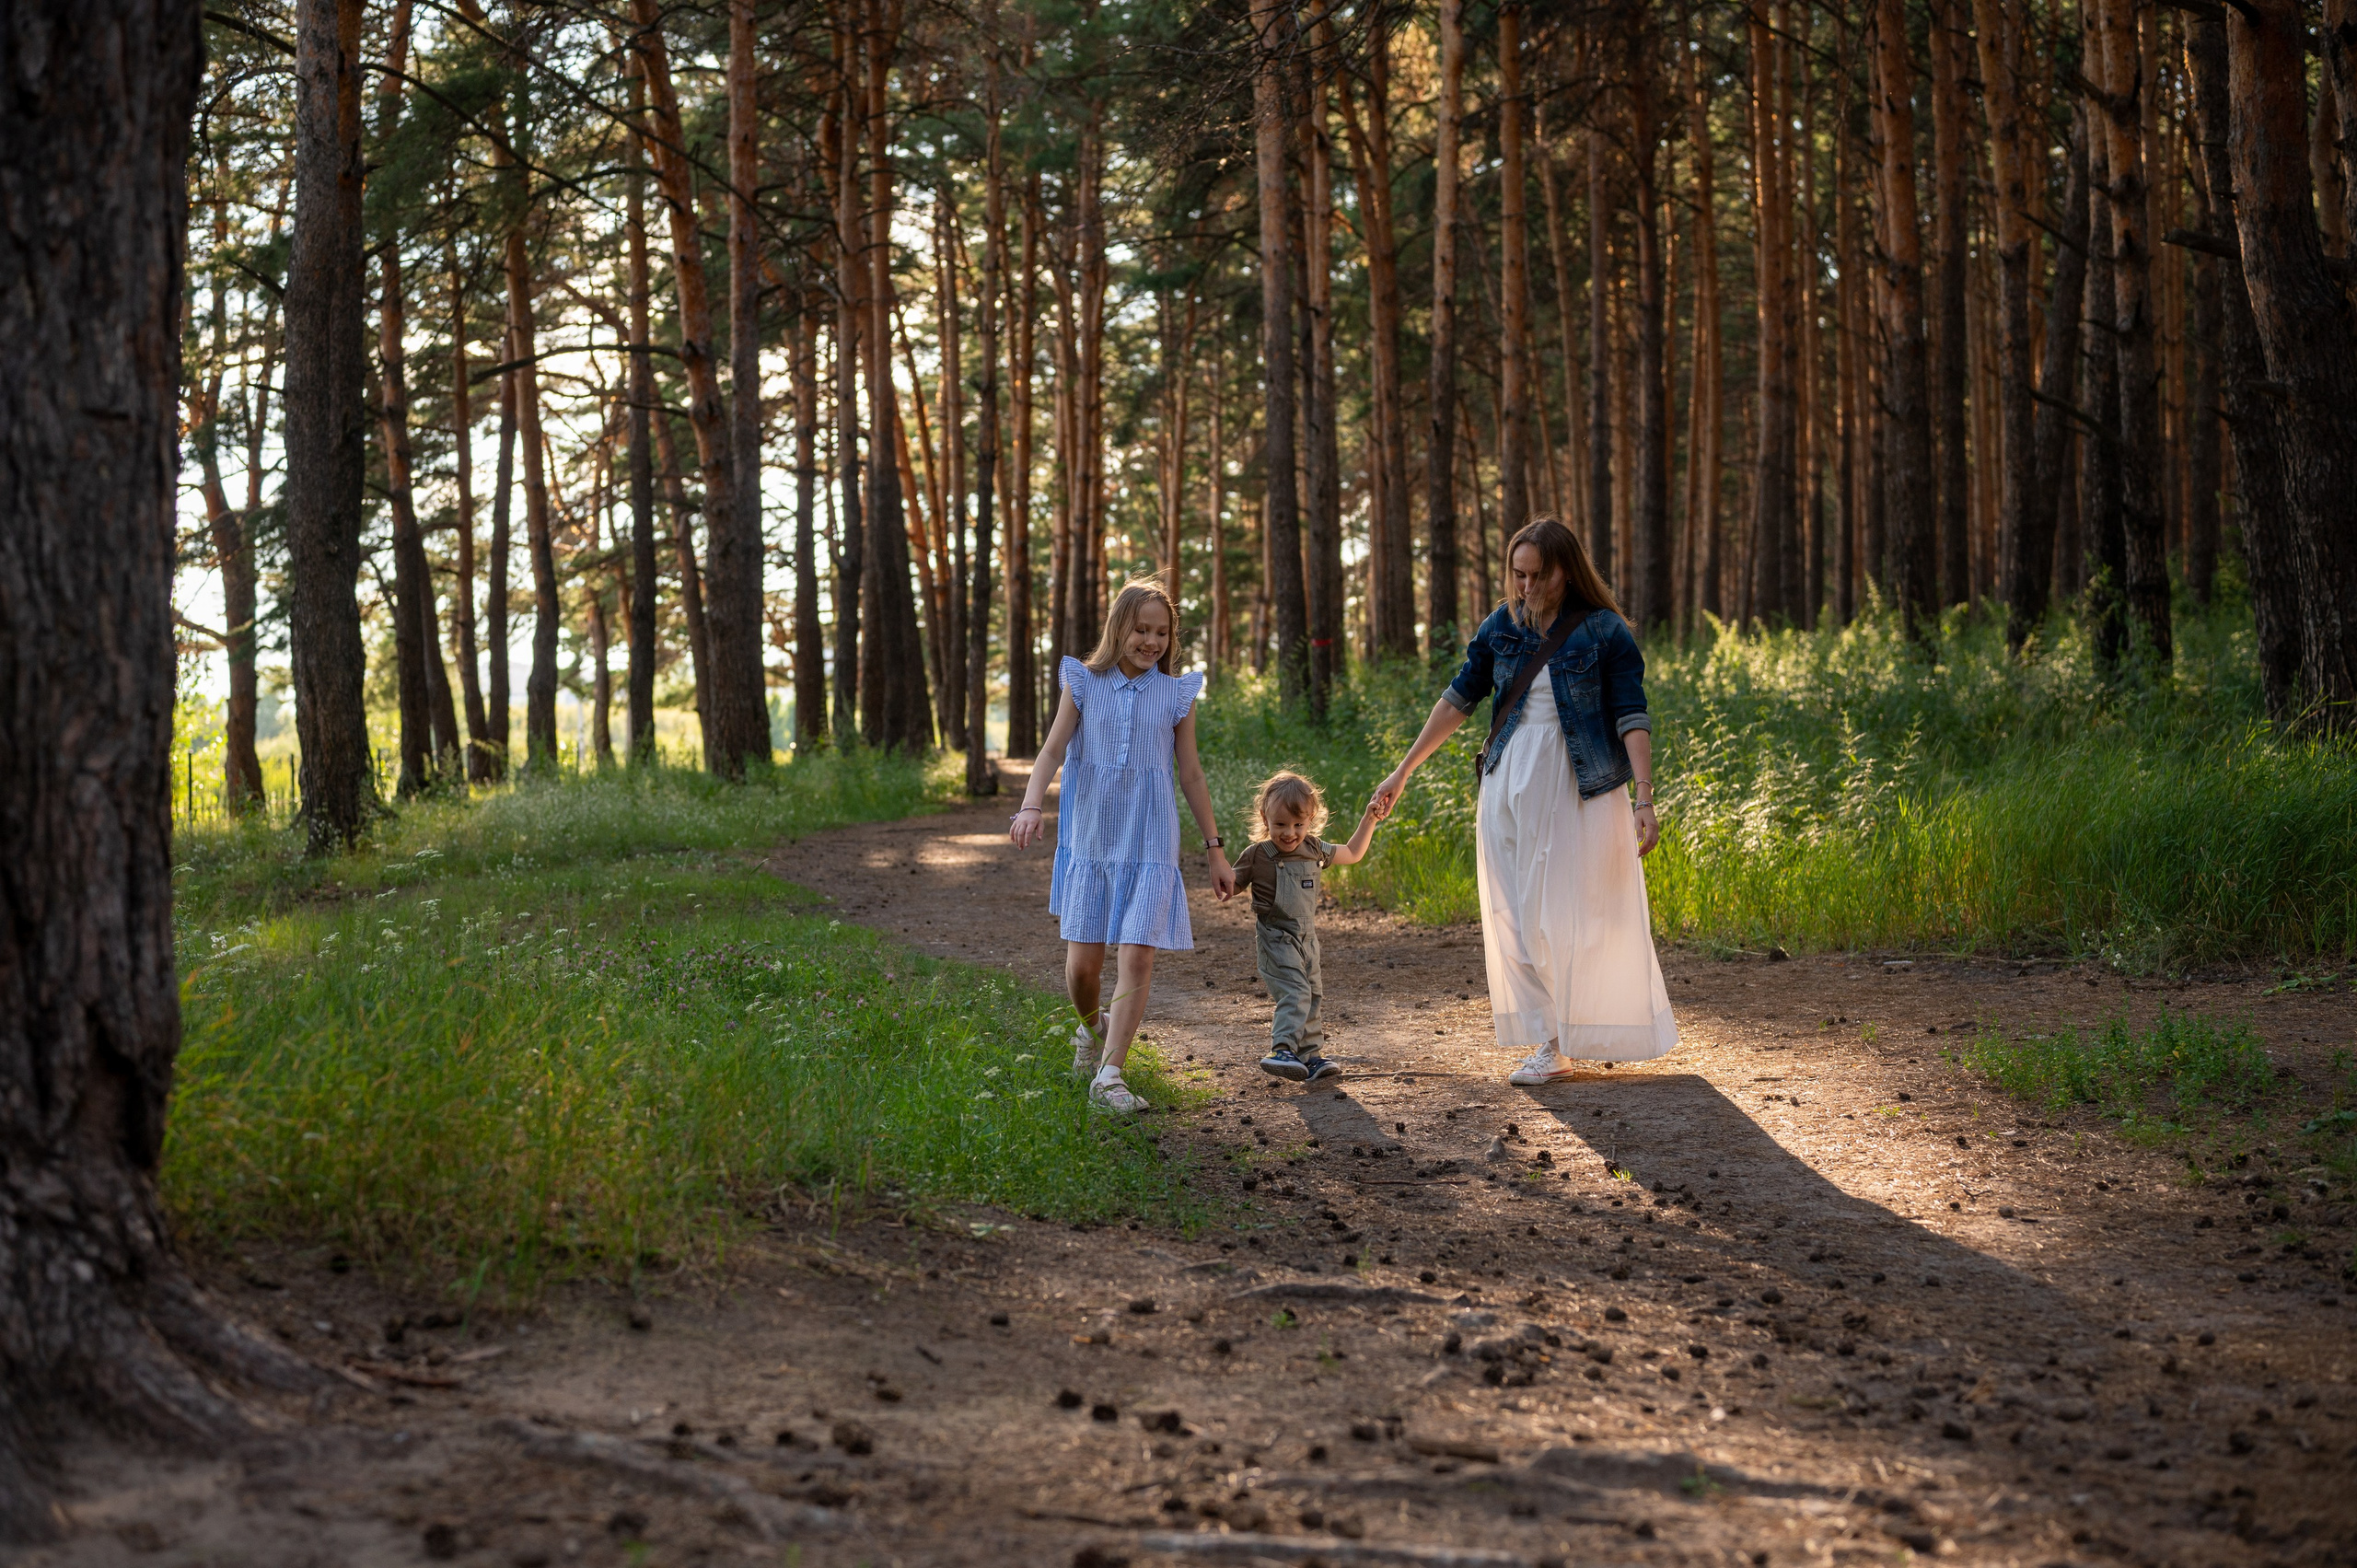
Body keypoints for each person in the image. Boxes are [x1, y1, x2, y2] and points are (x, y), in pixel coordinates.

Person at [1369, 517, 1678, 1086]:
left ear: (1567, 571)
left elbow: (1632, 716)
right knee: (1512, 908)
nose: (1527, 588)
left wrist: (1645, 797)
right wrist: (1403, 770)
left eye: (1539, 576)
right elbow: (1458, 700)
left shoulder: (1605, 631)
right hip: (1506, 776)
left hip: (1576, 783)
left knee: (1560, 909)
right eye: (1518, 575)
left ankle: (1576, 1033)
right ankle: (1551, 1042)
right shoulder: (1501, 627)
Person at [1010, 577, 1234, 1112]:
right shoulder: (1083, 682)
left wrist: (1215, 848)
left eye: (1162, 632)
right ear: (1119, 627)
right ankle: (1093, 1028)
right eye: (1141, 629)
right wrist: (1030, 804)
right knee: (1083, 968)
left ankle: (1110, 1076)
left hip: (1151, 844)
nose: (1151, 641)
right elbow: (1052, 750)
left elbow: (1193, 774)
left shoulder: (1176, 694)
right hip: (1091, 841)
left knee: (1138, 957)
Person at [1222, 772, 1387, 1083]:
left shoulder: (1314, 849)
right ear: (1264, 817)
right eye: (1280, 824)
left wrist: (1370, 819)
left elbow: (1352, 853)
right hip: (1275, 936)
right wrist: (1222, 879)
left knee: (1312, 993)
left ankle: (1310, 1056)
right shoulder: (1257, 855)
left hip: (1307, 938)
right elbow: (1232, 884)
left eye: (1299, 825)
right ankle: (1281, 1048)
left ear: (1311, 820)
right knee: (1295, 991)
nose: (1289, 833)